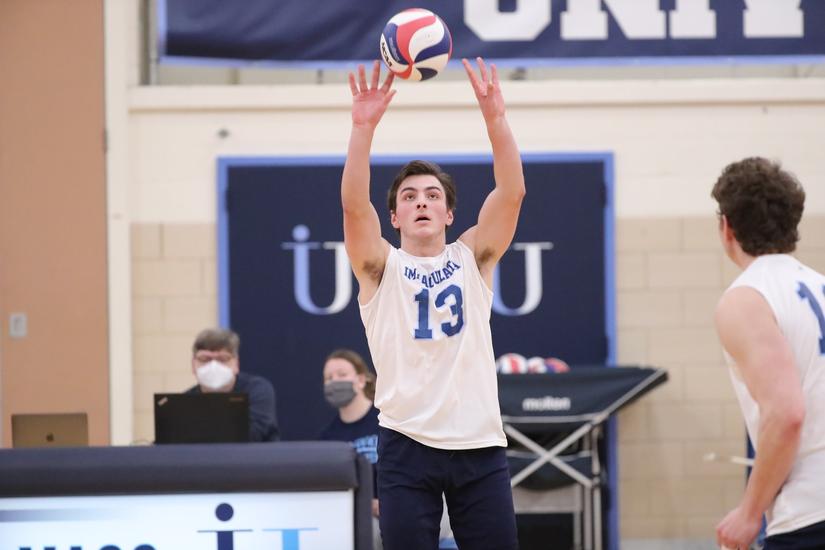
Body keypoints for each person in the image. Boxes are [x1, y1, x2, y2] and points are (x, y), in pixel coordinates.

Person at [341, 58, 524, 549]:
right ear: (395, 216)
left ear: (449, 212)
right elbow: (354, 208)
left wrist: (496, 121)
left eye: (431, 195)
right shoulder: (380, 267)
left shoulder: (474, 258)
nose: (421, 201)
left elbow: (512, 193)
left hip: (479, 444)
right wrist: (362, 130)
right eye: (408, 196)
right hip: (406, 444)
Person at [712, 157, 825, 550]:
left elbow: (787, 414)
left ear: (727, 226)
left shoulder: (746, 298)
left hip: (810, 514)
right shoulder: (820, 285)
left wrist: (749, 511)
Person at [319, 349, 382, 548]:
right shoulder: (327, 438)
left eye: (342, 375)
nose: (335, 381)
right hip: (352, 517)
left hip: (394, 511)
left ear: (361, 380)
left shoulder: (387, 422)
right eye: (329, 378)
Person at [185, 327, 279, 442]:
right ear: (193, 365)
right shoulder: (184, 401)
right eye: (205, 359)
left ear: (236, 364)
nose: (214, 366)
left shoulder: (258, 390)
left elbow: (253, 435)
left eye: (223, 359)